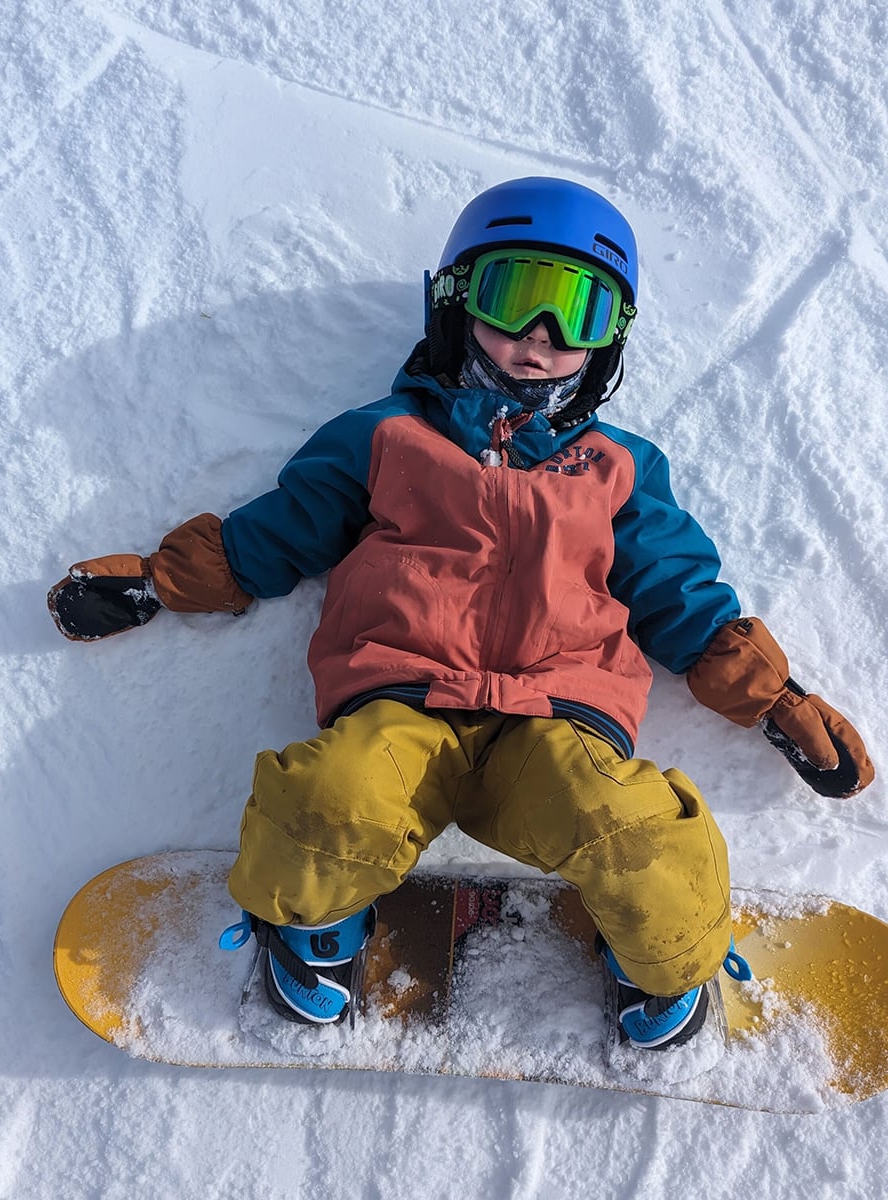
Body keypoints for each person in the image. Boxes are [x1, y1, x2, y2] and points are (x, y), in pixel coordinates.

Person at [48, 177, 874, 1050]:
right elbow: (276, 533)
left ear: (610, 340)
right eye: (515, 298)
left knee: (639, 838)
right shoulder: (385, 437)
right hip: (401, 709)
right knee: (325, 804)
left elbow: (682, 595)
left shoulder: (618, 469)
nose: (540, 340)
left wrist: (777, 703)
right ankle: (317, 927)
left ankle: (660, 960)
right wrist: (155, 581)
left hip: (560, 728)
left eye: (578, 314)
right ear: (454, 302)